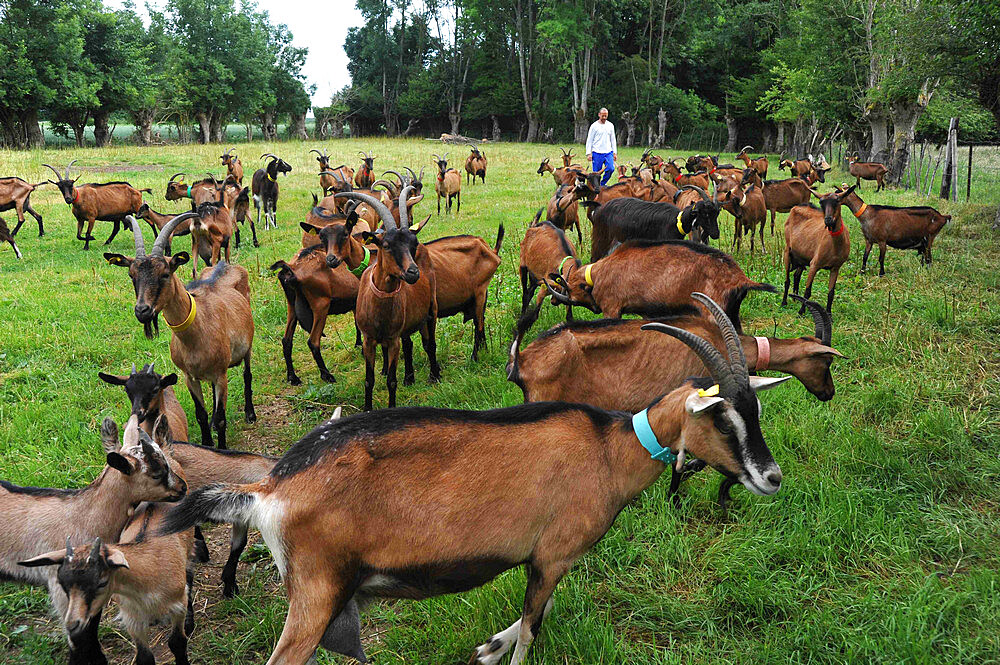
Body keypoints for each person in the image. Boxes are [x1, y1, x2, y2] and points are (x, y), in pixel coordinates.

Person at [585, 108, 617, 186]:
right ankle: (595, 187)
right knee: (596, 173)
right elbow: (589, 140)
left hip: (608, 152)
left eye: (606, 116)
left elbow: (613, 139)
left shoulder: (610, 125)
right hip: (597, 152)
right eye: (603, 116)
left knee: (610, 168)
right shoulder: (594, 126)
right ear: (599, 115)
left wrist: (614, 152)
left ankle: (602, 184)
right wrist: (588, 153)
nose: (604, 117)